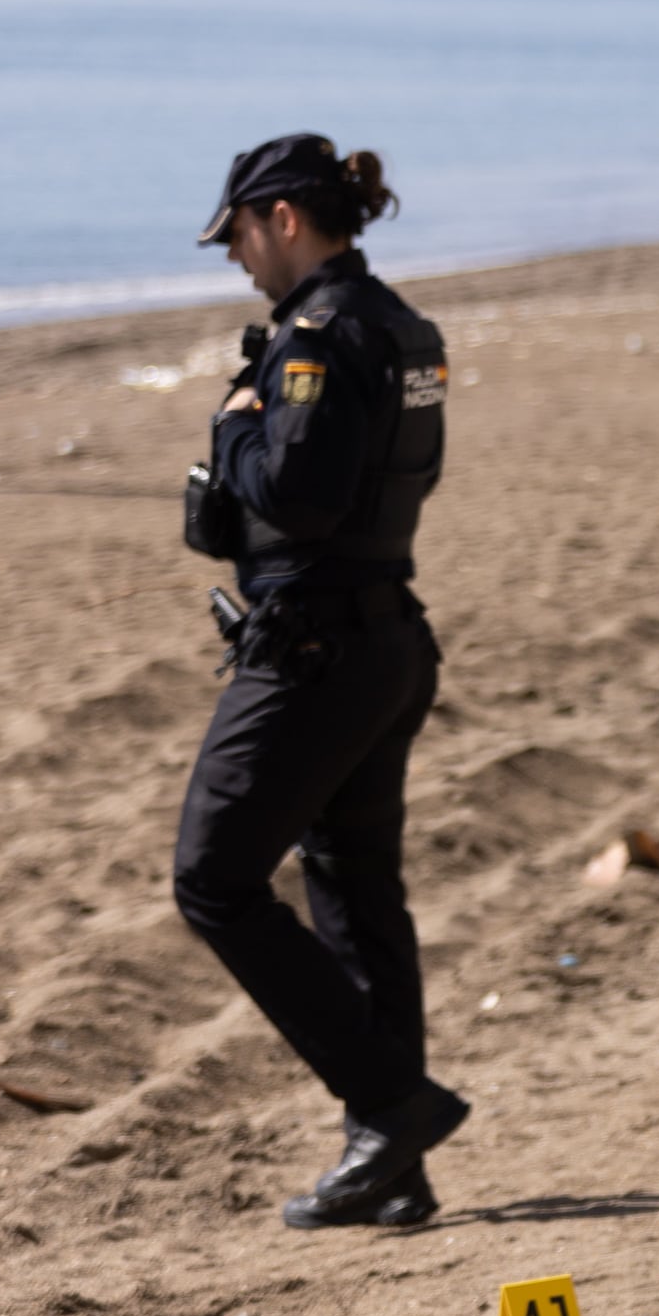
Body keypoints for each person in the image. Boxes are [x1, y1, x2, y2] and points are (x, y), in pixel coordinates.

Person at [175, 134, 467, 1229]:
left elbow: (298, 497)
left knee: (214, 880)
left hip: (316, 652)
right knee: (354, 892)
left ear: (285, 220)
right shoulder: (399, 325)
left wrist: (232, 435)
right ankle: (392, 1162)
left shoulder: (321, 335)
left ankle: (392, 1104)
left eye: (240, 235)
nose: (236, 257)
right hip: (384, 640)